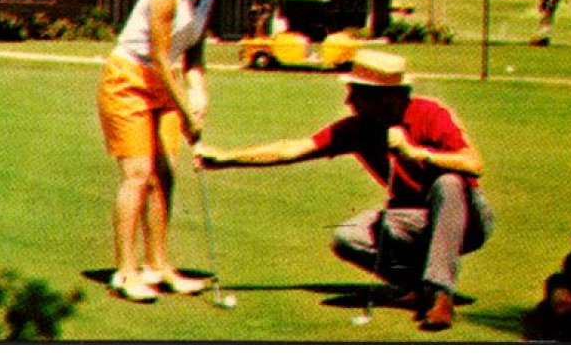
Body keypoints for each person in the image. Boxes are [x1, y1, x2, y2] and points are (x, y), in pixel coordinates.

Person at [195, 49, 492, 331]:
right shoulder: (357, 128)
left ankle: (441, 295)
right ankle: (416, 287)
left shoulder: (431, 114)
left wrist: (416, 153)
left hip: (465, 220)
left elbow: (473, 163)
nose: (349, 101)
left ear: (386, 98)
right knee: (348, 237)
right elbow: (294, 149)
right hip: (413, 222)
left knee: (448, 183)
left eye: (357, 94)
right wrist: (224, 158)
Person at [97, 0, 262, 302]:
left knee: (163, 177)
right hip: (129, 79)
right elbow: (157, 55)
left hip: (165, 81)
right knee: (137, 174)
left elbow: (194, 51)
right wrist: (186, 112)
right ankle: (125, 271)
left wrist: (198, 92)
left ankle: (158, 266)